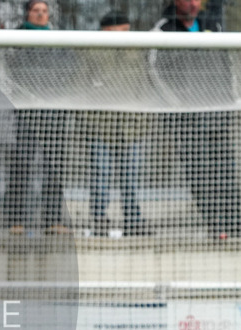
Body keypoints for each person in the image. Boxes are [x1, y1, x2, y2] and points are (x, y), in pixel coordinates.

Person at [152, 0, 241, 240]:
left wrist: (229, 97)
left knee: (227, 170)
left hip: (217, 113)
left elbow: (226, 64)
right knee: (199, 172)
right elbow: (154, 71)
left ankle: (236, 222)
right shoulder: (163, 29)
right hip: (186, 119)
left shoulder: (213, 25)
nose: (192, 3)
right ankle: (215, 225)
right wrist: (178, 104)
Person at [4, 0, 72, 236]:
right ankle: (16, 219)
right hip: (26, 110)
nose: (41, 14)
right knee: (22, 162)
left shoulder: (58, 38)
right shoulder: (16, 39)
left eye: (44, 11)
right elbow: (11, 69)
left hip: (53, 111)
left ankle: (53, 219)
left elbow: (66, 70)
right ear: (27, 14)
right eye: (36, 10)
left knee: (53, 164)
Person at [87, 10, 150, 238]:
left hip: (133, 126)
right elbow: (81, 85)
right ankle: (99, 218)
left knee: (131, 177)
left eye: (125, 30)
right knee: (100, 175)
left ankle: (133, 219)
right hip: (100, 126)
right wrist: (88, 122)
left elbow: (145, 84)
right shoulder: (92, 51)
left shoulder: (137, 51)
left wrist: (144, 118)